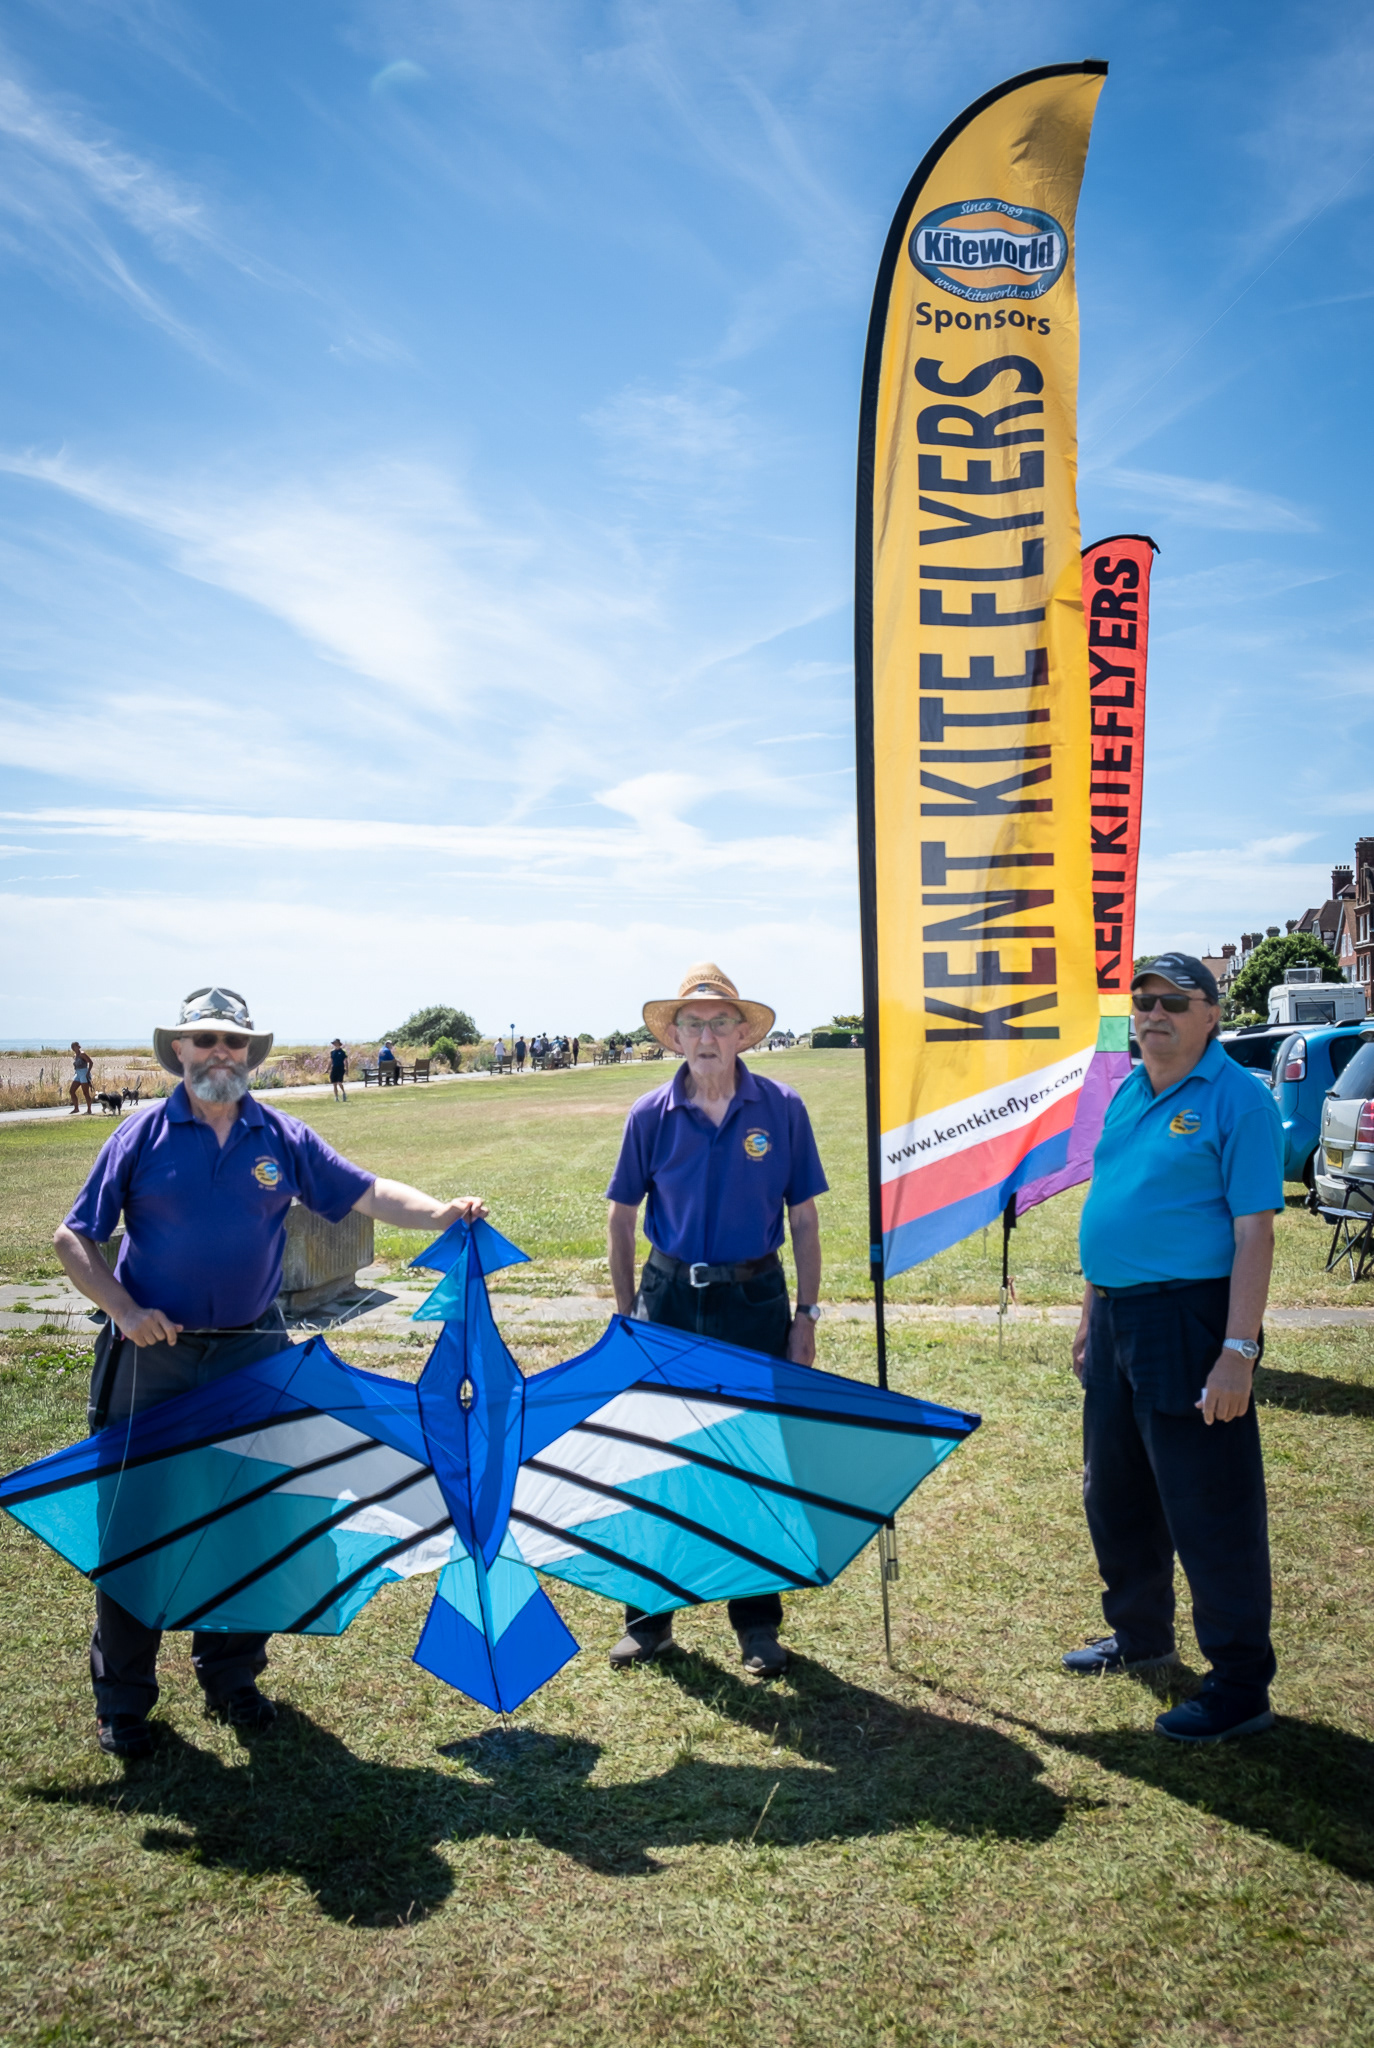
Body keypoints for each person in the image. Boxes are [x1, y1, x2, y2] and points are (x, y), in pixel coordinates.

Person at [55, 985, 487, 1760]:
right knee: (135, 1523)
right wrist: (123, 1309)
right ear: (178, 1051)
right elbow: (74, 1238)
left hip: (251, 1354)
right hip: (149, 1360)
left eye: (234, 1043)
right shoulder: (140, 1135)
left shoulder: (280, 1136)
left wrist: (442, 1212)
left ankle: (231, 1680)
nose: (220, 1054)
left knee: (251, 1517)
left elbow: (367, 1192)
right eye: (205, 1041)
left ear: (249, 1054)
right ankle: (123, 1702)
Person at [1066, 953, 1285, 1745]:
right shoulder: (1129, 1089)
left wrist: (1238, 1351)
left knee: (1209, 1502)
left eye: (1172, 1002)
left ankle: (1238, 1686)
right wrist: (1093, 1314)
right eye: (1143, 1001)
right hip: (1120, 1316)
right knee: (1115, 1490)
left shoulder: (1240, 1100)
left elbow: (1253, 1231)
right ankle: (1141, 1635)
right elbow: (1110, 1204)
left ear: (1212, 1015)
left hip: (1191, 1322)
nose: (1153, 1014)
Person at [604, 962, 827, 1677]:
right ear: (675, 1035)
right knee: (658, 1457)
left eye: (719, 1022)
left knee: (753, 1459)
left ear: (741, 1033)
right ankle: (649, 1622)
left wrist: (806, 1316)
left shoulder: (782, 1107)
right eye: (692, 1023)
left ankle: (757, 1626)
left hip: (753, 1300)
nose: (706, 1034)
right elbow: (620, 1219)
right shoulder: (649, 1114)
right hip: (668, 1299)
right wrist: (625, 1317)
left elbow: (805, 1219)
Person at [69, 1041, 94, 1116]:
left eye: (77, 1046)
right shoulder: (75, 1055)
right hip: (78, 1074)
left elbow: (90, 1062)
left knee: (86, 1093)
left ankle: (89, 1110)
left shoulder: (82, 1054)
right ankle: (76, 1108)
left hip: (84, 1073)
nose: (77, 1047)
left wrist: (88, 1073)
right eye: (75, 1046)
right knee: (72, 1091)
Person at [328, 1038, 348, 1102]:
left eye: (336, 1043)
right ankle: (336, 1097)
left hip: (340, 1068)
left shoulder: (342, 1052)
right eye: (334, 1043)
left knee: (339, 1082)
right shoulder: (332, 1052)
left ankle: (344, 1093)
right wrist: (328, 1069)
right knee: (334, 1083)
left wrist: (347, 1070)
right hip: (334, 1068)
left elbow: (345, 1061)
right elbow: (331, 1061)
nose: (335, 1044)